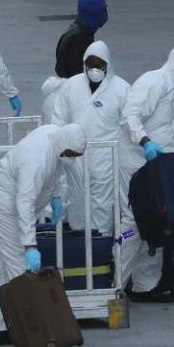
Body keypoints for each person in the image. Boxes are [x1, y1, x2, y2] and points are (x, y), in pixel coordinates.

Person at [0, 123, 87, 346]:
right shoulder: (35, 159)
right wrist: (29, 245)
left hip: (3, 197)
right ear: (62, 145)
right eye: (69, 153)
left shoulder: (55, 138)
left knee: (2, 263)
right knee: (20, 267)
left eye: (75, 155)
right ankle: (35, 332)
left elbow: (56, 169)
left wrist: (56, 196)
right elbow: (24, 201)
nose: (71, 158)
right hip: (3, 201)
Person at [118, 43, 174, 303]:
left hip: (164, 169)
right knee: (134, 224)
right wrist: (145, 141)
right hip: (138, 167)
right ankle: (115, 284)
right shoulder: (153, 82)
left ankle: (146, 286)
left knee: (159, 224)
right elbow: (129, 117)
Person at [51, 40, 129, 236]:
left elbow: (129, 123)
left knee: (103, 204)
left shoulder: (121, 89)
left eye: (99, 66)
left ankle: (101, 246)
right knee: (76, 201)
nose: (94, 70)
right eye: (90, 65)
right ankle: (79, 246)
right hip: (74, 156)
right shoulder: (71, 86)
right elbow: (58, 119)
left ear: (107, 65)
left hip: (106, 158)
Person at [56, 0, 109, 79]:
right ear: (94, 12)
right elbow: (77, 73)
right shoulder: (80, 38)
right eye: (103, 9)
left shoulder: (79, 29)